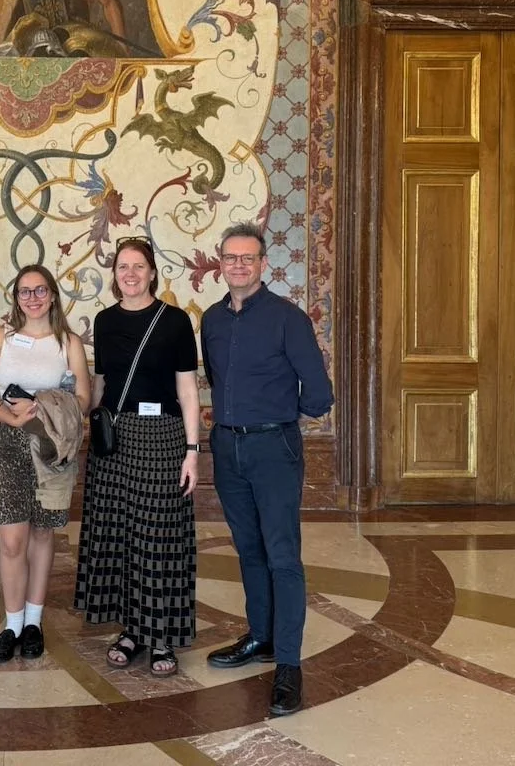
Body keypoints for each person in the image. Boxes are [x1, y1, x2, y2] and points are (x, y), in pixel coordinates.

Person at [200, 221, 334, 716]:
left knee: (282, 555)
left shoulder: (287, 318)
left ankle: (289, 667)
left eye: (247, 258)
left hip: (273, 447)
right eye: (230, 257)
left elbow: (319, 395)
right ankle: (261, 637)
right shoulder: (211, 320)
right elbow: (216, 378)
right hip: (227, 447)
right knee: (249, 549)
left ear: (262, 264)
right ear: (221, 263)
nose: (238, 265)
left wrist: (275, 416)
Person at [73, 237, 200, 677]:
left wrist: (192, 451)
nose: (130, 274)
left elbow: (187, 391)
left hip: (164, 438)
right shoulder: (104, 322)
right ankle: (131, 630)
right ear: (115, 275)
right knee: (123, 535)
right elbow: (102, 384)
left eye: (138, 266)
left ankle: (161, 634)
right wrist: (78, 418)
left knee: (159, 538)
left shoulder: (176, 321)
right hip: (117, 439)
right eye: (123, 266)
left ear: (151, 273)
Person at [0, 265, 91, 662]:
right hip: (7, 442)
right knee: (12, 540)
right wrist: (13, 417)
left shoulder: (68, 342)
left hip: (52, 444)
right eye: (25, 292)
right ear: (16, 298)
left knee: (43, 534)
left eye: (40, 290)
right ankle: (11, 624)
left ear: (53, 295)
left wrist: (39, 407)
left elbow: (82, 401)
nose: (33, 298)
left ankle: (33, 622)